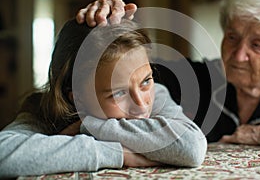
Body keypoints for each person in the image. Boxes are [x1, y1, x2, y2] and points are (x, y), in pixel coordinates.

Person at [76, 0, 260, 150]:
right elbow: (123, 73)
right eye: (232, 37)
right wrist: (101, 27)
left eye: (257, 45)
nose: (239, 55)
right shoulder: (200, 78)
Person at [0, 19, 206, 178]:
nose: (142, 104)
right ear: (77, 100)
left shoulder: (157, 94)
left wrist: (90, 125)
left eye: (145, 81)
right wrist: (114, 153)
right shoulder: (45, 112)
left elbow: (191, 148)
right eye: (118, 93)